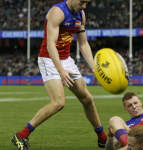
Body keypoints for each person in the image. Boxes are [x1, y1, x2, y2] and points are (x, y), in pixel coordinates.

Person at [11, 1, 107, 150]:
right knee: (58, 103)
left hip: (66, 59)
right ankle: (21, 135)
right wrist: (61, 71)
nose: (84, 6)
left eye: (87, 2)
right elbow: (51, 44)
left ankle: (102, 137)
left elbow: (83, 44)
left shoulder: (81, 14)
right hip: (48, 59)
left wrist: (95, 69)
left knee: (87, 99)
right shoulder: (57, 12)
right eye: (83, 2)